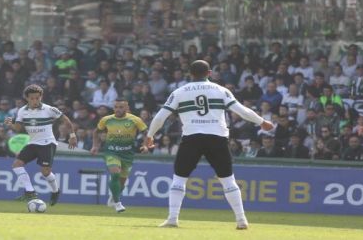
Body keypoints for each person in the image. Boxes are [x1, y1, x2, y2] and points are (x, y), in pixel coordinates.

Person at [145, 60, 274, 229]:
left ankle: (172, 219)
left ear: (190, 73)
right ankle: (241, 220)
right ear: (210, 73)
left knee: (179, 178)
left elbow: (160, 117)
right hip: (217, 138)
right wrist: (262, 121)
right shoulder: (221, 90)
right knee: (228, 180)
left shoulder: (179, 92)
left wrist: (150, 135)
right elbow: (242, 111)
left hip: (192, 138)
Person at [5, 84, 77, 206]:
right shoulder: (22, 111)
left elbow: (66, 120)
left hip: (47, 143)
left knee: (45, 172)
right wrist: (10, 123)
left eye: (37, 98)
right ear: (27, 98)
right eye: (32, 98)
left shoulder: (49, 109)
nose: (35, 101)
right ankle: (30, 191)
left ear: (41, 97)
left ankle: (55, 191)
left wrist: (72, 136)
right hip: (33, 143)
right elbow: (18, 128)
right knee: (17, 165)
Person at [91, 98, 148, 213]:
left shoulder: (135, 120)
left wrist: (145, 145)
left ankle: (114, 196)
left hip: (127, 154)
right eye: (116, 107)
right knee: (115, 174)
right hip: (112, 152)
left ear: (126, 108)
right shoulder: (106, 120)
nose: (118, 109)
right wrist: (95, 146)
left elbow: (147, 133)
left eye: (121, 107)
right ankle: (118, 203)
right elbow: (96, 132)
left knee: (121, 183)